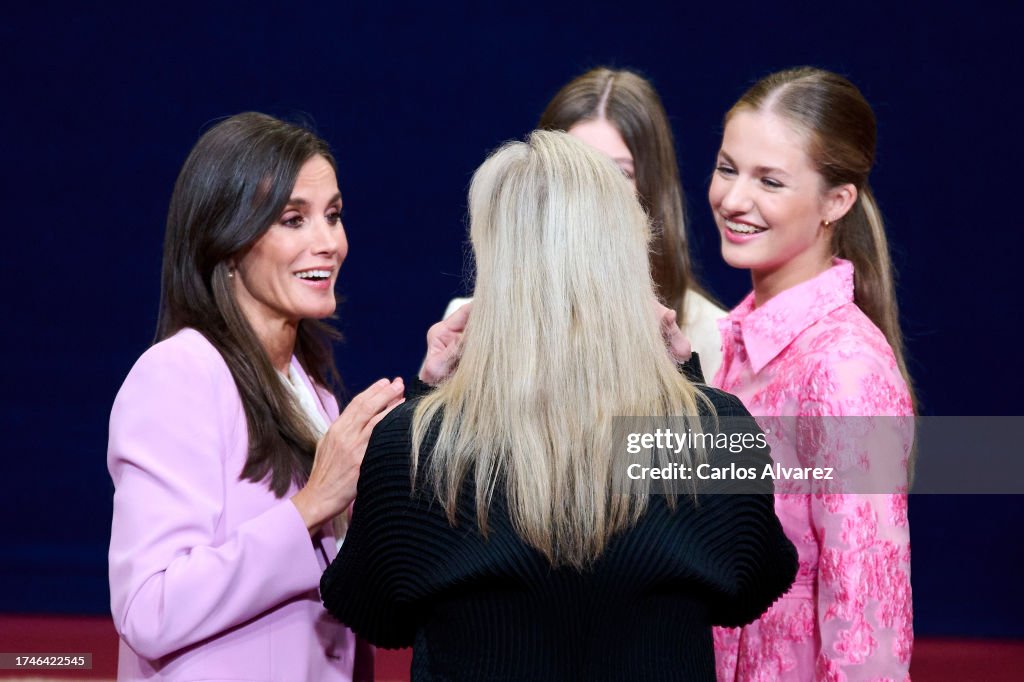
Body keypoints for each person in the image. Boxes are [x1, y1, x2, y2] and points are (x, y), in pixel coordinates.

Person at [322, 130, 797, 681]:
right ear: (628, 256)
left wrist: (430, 399)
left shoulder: (413, 444)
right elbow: (751, 587)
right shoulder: (717, 431)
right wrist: (684, 381)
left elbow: (376, 613)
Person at [107, 112, 405, 680]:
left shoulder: (315, 396)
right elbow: (149, 606)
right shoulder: (178, 374)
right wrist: (311, 507)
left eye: (333, 216)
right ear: (227, 240)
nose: (329, 243)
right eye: (294, 219)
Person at [706, 68, 915, 680]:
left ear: (836, 201)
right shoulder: (737, 347)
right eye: (727, 168)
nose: (734, 200)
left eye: (769, 180)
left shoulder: (844, 366)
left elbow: (870, 620)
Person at [444, 67, 727, 379]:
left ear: (653, 187)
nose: (593, 196)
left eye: (619, 174)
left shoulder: (710, 335)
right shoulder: (468, 325)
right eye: (572, 174)